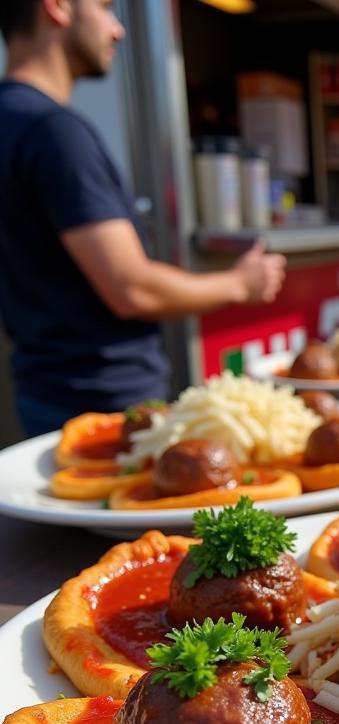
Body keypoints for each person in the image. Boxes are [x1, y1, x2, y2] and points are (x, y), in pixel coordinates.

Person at [0, 0, 287, 438]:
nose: (118, 30)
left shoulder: (12, 121)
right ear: (56, 7)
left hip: (45, 392)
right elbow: (130, 287)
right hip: (106, 403)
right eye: (103, 8)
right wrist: (239, 284)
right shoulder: (54, 131)